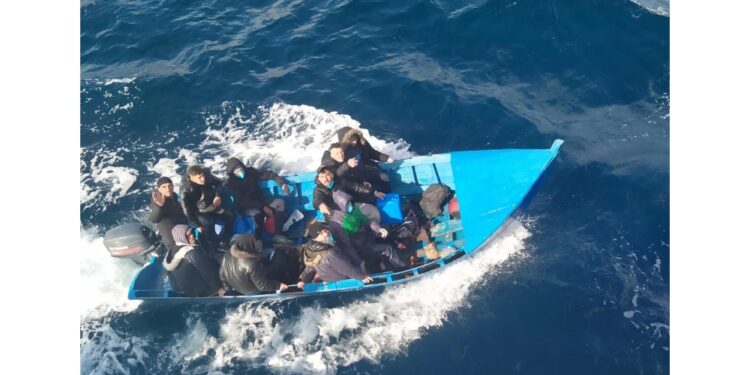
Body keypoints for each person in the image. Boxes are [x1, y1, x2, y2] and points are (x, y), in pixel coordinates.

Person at [324, 189, 407, 273]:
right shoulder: (336, 223)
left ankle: (399, 246)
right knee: (387, 249)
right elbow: (347, 246)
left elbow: (368, 221)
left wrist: (379, 229)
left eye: (350, 202)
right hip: (360, 247)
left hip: (365, 235)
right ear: (340, 206)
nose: (350, 206)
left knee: (386, 229)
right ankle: (404, 270)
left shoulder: (353, 209)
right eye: (347, 204)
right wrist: (358, 262)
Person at [225, 157, 290, 235]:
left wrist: (282, 184)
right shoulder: (231, 184)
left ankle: (278, 234)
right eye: (237, 171)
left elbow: (270, 174)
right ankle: (258, 238)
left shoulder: (251, 173)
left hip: (261, 201)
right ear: (232, 173)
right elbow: (243, 201)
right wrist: (262, 207)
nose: (240, 172)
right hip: (247, 207)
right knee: (257, 215)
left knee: (280, 202)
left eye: (240, 169)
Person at [298, 221, 372, 286]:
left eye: (326, 230)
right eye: (323, 232)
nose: (327, 233)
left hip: (330, 284)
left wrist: (304, 280)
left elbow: (310, 267)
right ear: (316, 236)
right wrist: (362, 277)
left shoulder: (310, 250)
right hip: (344, 283)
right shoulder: (329, 253)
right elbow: (345, 268)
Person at [180, 165, 235, 248]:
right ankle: (212, 245)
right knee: (208, 225)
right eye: (199, 177)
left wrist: (217, 195)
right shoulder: (186, 190)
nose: (203, 178)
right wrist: (197, 225)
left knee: (230, 215)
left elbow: (220, 183)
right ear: (192, 178)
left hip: (213, 204)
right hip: (200, 211)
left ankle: (227, 238)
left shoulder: (207, 176)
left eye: (203, 175)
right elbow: (187, 210)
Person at [163, 224, 224, 297]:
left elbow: (172, 279)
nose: (192, 236)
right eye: (188, 235)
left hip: (190, 294)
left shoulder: (170, 253)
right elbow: (208, 272)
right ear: (182, 237)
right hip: (207, 292)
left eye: (192, 232)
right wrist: (219, 288)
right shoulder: (192, 252)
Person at [219, 233, 290, 294]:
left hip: (238, 287)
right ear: (248, 245)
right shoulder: (250, 263)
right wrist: (278, 285)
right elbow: (262, 286)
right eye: (253, 243)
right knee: (276, 266)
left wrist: (227, 289)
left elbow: (222, 274)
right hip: (252, 290)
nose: (255, 244)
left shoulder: (227, 254)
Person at [336, 126, 394, 191]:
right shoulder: (340, 152)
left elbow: (372, 153)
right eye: (351, 140)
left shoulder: (361, 143)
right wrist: (348, 164)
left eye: (355, 139)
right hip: (355, 178)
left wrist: (386, 158)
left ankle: (388, 195)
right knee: (370, 189)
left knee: (384, 176)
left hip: (366, 169)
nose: (354, 142)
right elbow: (338, 172)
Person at [313, 166, 384, 216]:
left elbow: (356, 186)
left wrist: (374, 192)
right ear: (318, 178)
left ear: (332, 175)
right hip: (334, 214)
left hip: (349, 207)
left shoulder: (339, 181)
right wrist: (320, 204)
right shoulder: (318, 190)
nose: (325, 179)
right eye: (322, 177)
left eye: (327, 175)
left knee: (371, 208)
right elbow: (317, 200)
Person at [148, 177, 188, 253]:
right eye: (164, 187)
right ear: (159, 189)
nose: (168, 189)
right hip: (171, 238)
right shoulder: (158, 199)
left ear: (173, 186)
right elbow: (154, 219)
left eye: (169, 185)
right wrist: (160, 206)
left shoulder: (174, 196)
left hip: (183, 230)